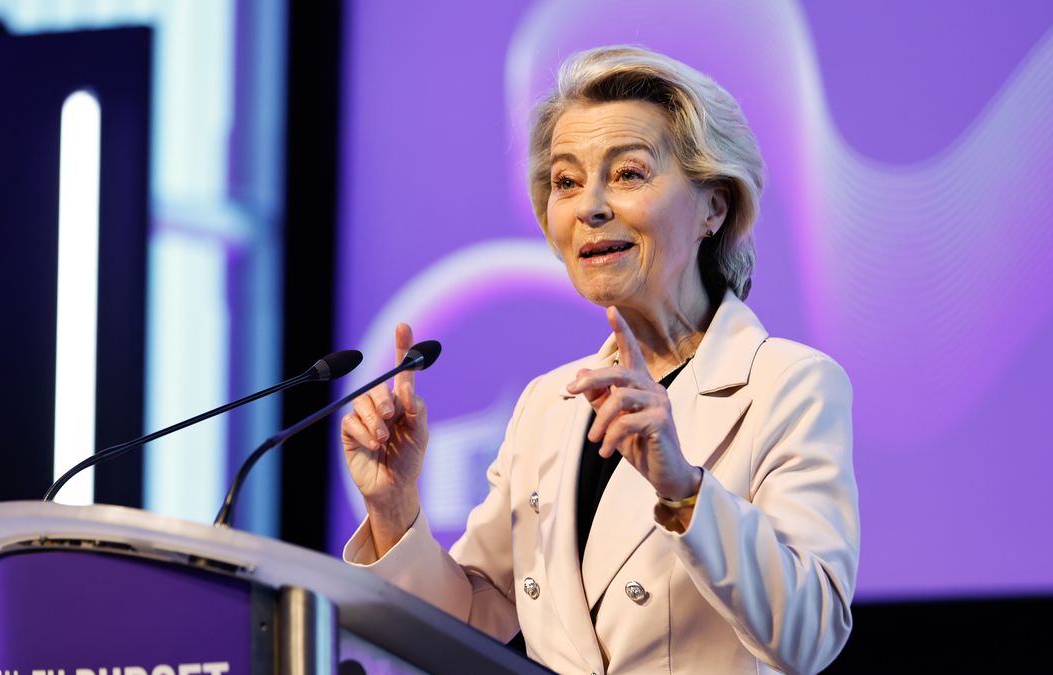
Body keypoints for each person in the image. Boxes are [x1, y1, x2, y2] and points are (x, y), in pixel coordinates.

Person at [340, 45, 858, 675]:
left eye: (629, 174)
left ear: (713, 207)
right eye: (566, 181)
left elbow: (810, 636)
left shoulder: (788, 384)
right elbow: (476, 618)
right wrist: (394, 507)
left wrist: (682, 489)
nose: (590, 207)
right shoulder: (547, 404)